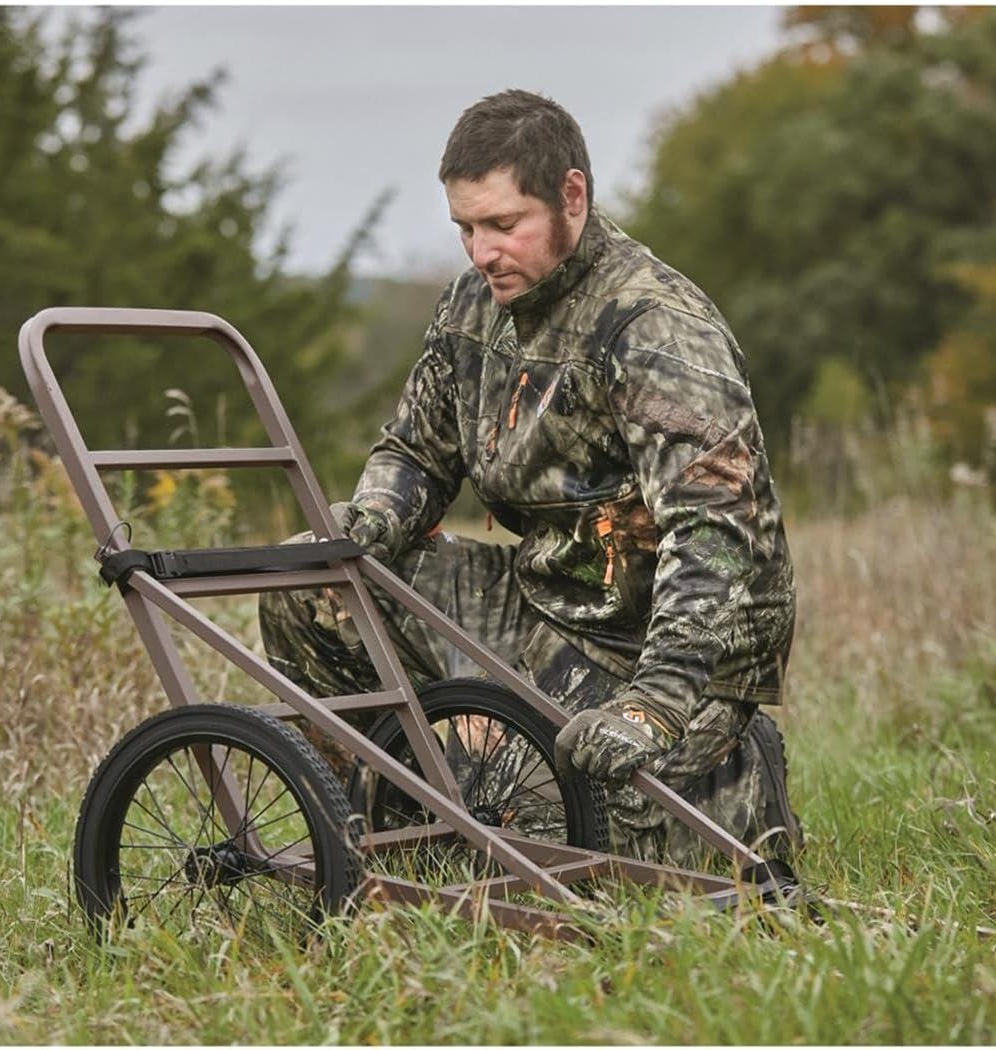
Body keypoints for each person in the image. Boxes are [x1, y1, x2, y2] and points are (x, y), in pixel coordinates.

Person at [260, 89, 801, 866]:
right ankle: (385, 836)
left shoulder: (654, 325)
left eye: (503, 225)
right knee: (308, 586)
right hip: (540, 597)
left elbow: (718, 533)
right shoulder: (470, 308)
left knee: (556, 833)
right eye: (466, 229)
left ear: (571, 197)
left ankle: (733, 770)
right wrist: (370, 518)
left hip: (655, 645)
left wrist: (656, 704)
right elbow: (414, 453)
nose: (481, 253)